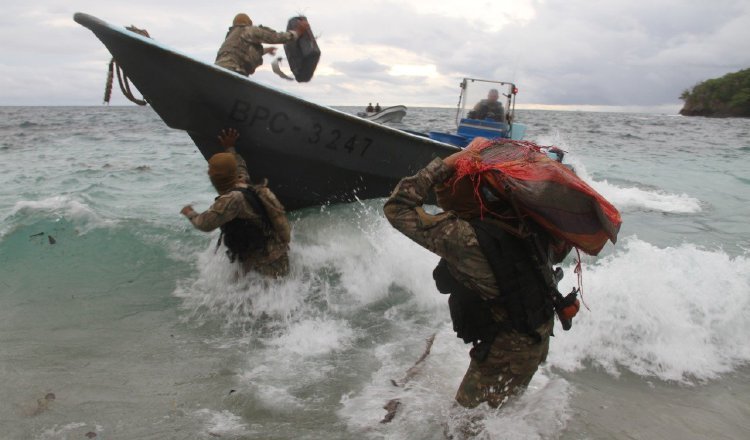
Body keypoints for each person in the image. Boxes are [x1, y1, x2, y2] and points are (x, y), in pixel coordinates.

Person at [383, 144, 572, 409]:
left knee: (461, 429)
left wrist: (443, 166)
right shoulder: (521, 220)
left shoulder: (465, 238)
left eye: (449, 185)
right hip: (534, 337)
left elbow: (397, 208)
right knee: (495, 419)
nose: (442, 191)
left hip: (511, 349)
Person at [181, 128, 291, 278]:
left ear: (213, 177)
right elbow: (239, 166)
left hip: (263, 264)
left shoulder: (231, 200)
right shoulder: (246, 185)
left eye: (210, 170)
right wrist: (229, 147)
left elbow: (204, 224)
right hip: (278, 256)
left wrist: (189, 212)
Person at [215, 13, 310, 76]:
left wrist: (266, 50)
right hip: (233, 71)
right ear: (249, 23)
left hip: (217, 70)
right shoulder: (249, 30)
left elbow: (242, 52)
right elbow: (275, 37)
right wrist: (297, 32)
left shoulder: (231, 36)